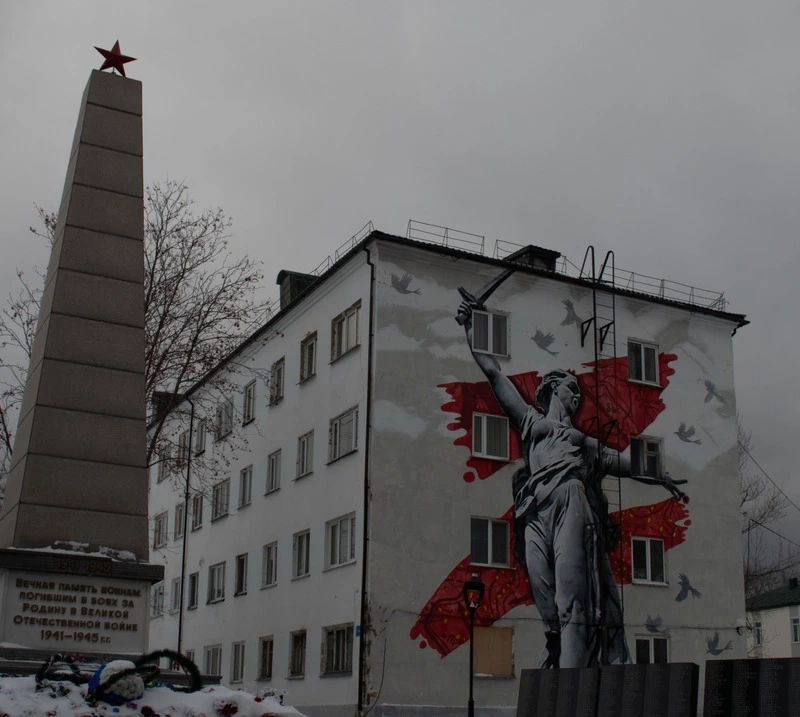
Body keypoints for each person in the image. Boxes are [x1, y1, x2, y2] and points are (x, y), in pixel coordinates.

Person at [458, 300, 687, 668]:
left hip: (570, 502)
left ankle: (570, 681)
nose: (576, 396)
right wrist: (471, 328)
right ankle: (557, 650)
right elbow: (494, 374)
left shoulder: (582, 440)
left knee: (571, 599)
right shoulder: (531, 423)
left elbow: (622, 463)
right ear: (552, 389)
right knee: (542, 590)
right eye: (571, 389)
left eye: (577, 392)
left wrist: (660, 474)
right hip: (535, 511)